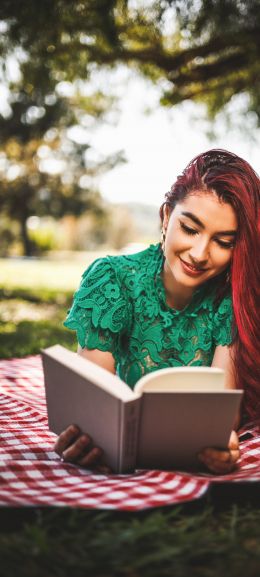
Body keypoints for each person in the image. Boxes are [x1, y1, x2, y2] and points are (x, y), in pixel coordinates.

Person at [55, 149, 260, 474]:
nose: (199, 253)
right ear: (166, 216)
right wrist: (86, 435)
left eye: (223, 242)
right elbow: (95, 403)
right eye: (190, 229)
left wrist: (223, 441)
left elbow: (225, 411)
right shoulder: (111, 279)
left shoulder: (230, 298)